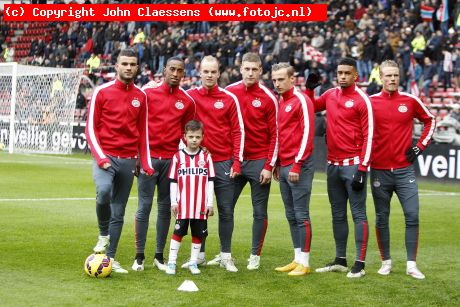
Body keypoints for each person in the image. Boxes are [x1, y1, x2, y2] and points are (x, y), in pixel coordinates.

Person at [85, 48, 154, 273]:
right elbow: (90, 129)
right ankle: (103, 234)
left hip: (127, 160)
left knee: (119, 211)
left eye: (132, 64)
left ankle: (110, 259)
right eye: (124, 63)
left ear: (137, 67)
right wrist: (101, 157)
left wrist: (145, 163)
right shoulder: (102, 92)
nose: (128, 68)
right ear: (116, 66)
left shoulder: (141, 96)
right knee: (103, 191)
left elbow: (142, 132)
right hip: (105, 157)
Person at [306, 57, 373, 278]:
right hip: (332, 166)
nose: (342, 76)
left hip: (353, 165)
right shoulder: (331, 95)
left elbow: (369, 136)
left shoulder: (362, 100)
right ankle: (340, 259)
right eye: (339, 72)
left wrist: (363, 169)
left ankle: (360, 264)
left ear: (356, 76)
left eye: (347, 73)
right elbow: (312, 107)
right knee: (337, 215)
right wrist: (309, 90)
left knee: (358, 214)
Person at [369, 60, 436, 280]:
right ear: (380, 77)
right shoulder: (370, 103)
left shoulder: (410, 100)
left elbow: (430, 120)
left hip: (404, 170)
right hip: (378, 170)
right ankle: (385, 262)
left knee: (412, 215)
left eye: (395, 75)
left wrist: (419, 147)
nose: (392, 79)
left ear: (400, 76)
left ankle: (411, 265)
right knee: (381, 218)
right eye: (388, 75)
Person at [132, 56, 195, 272]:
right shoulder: (147, 94)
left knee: (165, 208)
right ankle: (139, 256)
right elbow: (136, 126)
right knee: (144, 206)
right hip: (148, 159)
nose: (175, 74)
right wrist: (137, 156)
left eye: (180, 71)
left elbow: (188, 133)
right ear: (164, 70)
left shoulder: (187, 101)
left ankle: (159, 256)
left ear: (184, 74)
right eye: (172, 69)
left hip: (171, 161)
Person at [186, 55, 244, 272]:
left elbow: (238, 132)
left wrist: (237, 162)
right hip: (199, 163)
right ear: (199, 72)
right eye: (205, 71)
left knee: (226, 210)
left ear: (219, 73)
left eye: (213, 71)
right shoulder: (190, 97)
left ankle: (226, 255)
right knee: (200, 211)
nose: (209, 75)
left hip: (223, 163)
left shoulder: (229, 99)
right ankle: (199, 255)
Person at [222, 52, 278, 270]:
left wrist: (268, 165)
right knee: (226, 208)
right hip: (235, 160)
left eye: (255, 69)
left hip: (258, 161)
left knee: (259, 211)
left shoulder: (268, 97)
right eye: (247, 68)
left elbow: (275, 134)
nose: (250, 73)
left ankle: (255, 255)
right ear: (240, 68)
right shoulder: (230, 92)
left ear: (261, 71)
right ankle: (224, 253)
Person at [271, 63, 315, 276]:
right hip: (285, 165)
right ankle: (297, 258)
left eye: (281, 79)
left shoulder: (302, 101)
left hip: (299, 166)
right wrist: (278, 163)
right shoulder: (282, 102)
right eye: (274, 80)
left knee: (301, 214)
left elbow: (308, 134)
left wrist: (297, 163)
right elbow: (280, 135)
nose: (277, 83)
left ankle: (305, 263)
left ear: (292, 79)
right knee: (291, 214)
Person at [165, 120, 215, 275]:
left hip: (200, 206)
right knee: (178, 232)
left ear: (202, 137)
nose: (194, 140)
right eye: (191, 136)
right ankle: (172, 262)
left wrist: (210, 203)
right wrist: (173, 201)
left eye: (198, 137)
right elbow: (173, 181)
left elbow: (210, 181)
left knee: (198, 234)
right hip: (183, 205)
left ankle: (193, 262)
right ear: (184, 137)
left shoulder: (206, 157)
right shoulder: (178, 157)